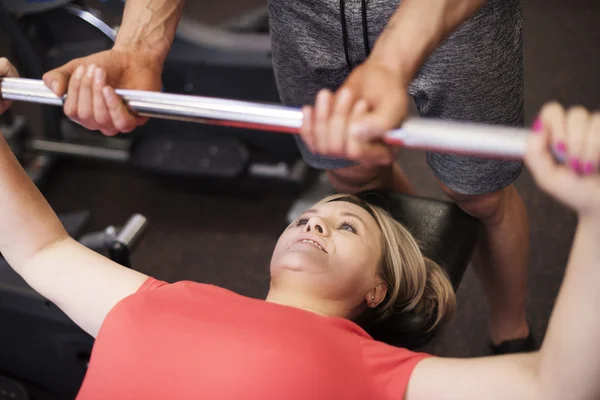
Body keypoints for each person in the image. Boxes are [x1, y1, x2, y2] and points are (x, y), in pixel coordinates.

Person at [3, 58, 600, 399]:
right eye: (313, 215)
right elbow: (39, 248)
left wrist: (594, 212)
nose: (316, 219)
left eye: (346, 227)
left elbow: (554, 387)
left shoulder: (375, 369)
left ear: (377, 290)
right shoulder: (159, 298)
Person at [41, 0, 531, 354]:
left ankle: (511, 330)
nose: (315, 226)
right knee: (354, 174)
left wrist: (391, 61)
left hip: (454, 20)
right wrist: (139, 48)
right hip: (308, 18)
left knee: (478, 192)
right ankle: (399, 272)